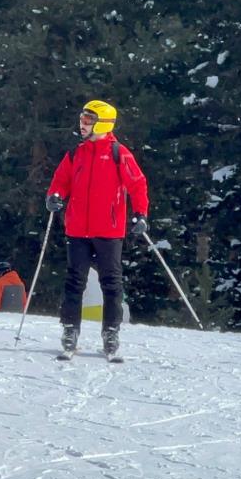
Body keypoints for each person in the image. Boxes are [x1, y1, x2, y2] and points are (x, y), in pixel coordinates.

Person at [45, 100, 149, 357]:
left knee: (111, 283)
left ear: (102, 123)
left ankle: (111, 332)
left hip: (109, 230)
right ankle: (70, 329)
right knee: (74, 281)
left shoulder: (118, 153)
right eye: (82, 119)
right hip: (78, 228)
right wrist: (55, 195)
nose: (82, 125)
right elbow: (61, 180)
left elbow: (138, 184)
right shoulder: (76, 153)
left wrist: (140, 214)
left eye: (88, 121)